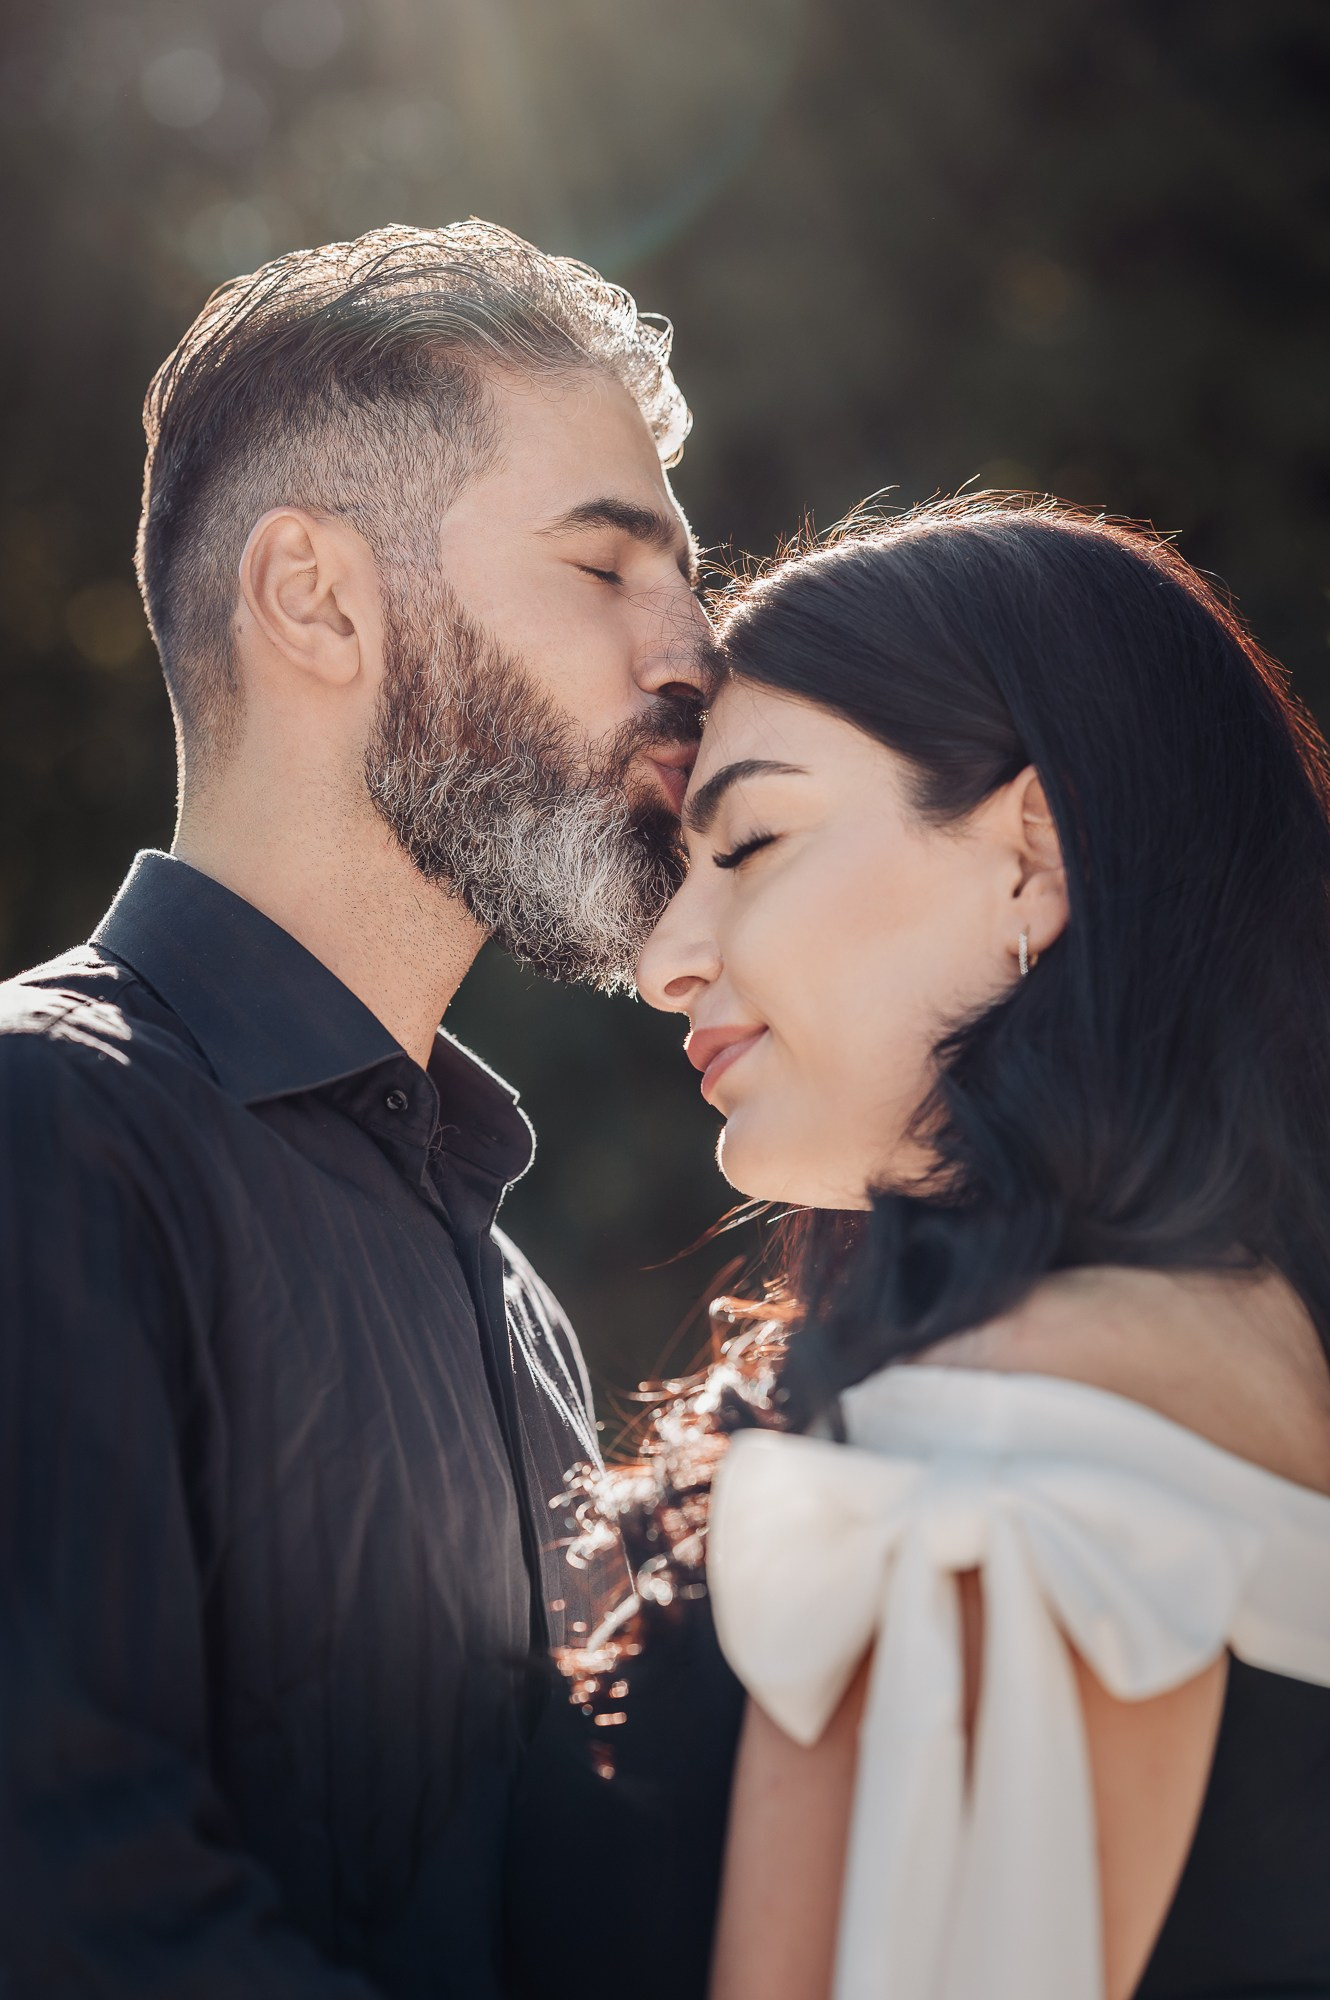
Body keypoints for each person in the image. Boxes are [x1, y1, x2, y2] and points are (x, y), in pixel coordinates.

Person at [0, 221, 716, 1995]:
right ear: (315, 598)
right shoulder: (42, 1137)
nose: (694, 651)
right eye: (607, 568)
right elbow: (67, 1915)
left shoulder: (520, 1306)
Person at [512, 495, 1330, 2000]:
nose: (663, 958)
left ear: (1033, 858)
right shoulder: (1246, 1353)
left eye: (749, 840)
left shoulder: (987, 1460)